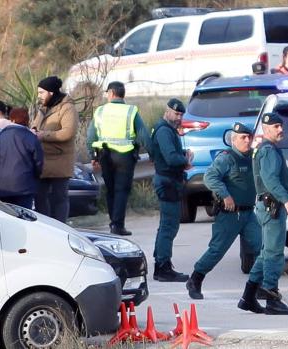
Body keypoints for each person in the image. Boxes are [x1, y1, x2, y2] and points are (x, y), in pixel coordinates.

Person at [186, 122, 262, 299]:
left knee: (262, 247)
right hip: (230, 215)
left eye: (249, 137)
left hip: (249, 213)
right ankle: (196, 279)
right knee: (217, 250)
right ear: (233, 140)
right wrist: (225, 195)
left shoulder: (253, 157)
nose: (247, 140)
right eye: (242, 137)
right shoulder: (227, 158)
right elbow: (210, 177)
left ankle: (259, 286)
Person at [238, 112, 288, 315]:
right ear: (265, 128)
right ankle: (271, 299)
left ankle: (248, 297)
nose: (280, 129)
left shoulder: (263, 149)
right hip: (272, 207)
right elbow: (270, 178)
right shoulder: (269, 150)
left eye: (281, 125)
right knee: (274, 254)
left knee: (265, 254)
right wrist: (285, 198)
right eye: (275, 126)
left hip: (266, 207)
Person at [87, 81, 151, 236]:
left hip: (105, 155)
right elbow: (144, 135)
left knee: (110, 190)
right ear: (123, 94)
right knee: (121, 190)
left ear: (111, 93)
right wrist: (153, 154)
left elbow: (90, 136)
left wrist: (93, 155)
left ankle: (113, 223)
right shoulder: (131, 111)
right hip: (125, 155)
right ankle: (118, 225)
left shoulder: (100, 111)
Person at [150, 98, 193, 282]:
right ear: (167, 111)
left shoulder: (167, 130)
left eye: (181, 115)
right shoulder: (164, 131)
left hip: (170, 181)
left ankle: (162, 263)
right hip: (167, 182)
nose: (178, 118)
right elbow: (170, 158)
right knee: (169, 226)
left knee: (167, 226)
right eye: (176, 114)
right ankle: (163, 267)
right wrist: (185, 160)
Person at [30, 76, 79, 223]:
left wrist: (42, 135)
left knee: (59, 198)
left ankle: (60, 228)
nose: (39, 96)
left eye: (41, 93)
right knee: (40, 197)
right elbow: (35, 126)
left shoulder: (67, 108)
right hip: (42, 160)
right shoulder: (43, 109)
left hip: (60, 161)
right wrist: (32, 131)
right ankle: (45, 227)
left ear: (51, 93)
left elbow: (68, 133)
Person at [0, 108, 44, 209]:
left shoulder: (2, 135)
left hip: (4, 185)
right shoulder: (31, 137)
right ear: (27, 120)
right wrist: (37, 176)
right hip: (24, 185)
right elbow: (39, 162)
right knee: (24, 217)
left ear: (11, 119)